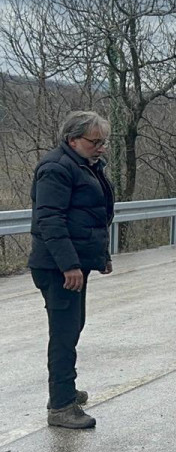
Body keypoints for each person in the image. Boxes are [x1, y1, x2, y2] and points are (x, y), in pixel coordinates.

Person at [29, 111, 115, 429]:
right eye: (95, 142)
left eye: (103, 142)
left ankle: (64, 390)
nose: (101, 147)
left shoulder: (85, 166)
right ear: (73, 139)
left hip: (76, 263)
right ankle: (61, 406)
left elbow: (95, 217)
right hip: (57, 266)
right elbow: (50, 220)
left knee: (74, 325)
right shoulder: (56, 169)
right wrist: (69, 265)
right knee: (64, 333)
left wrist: (100, 257)